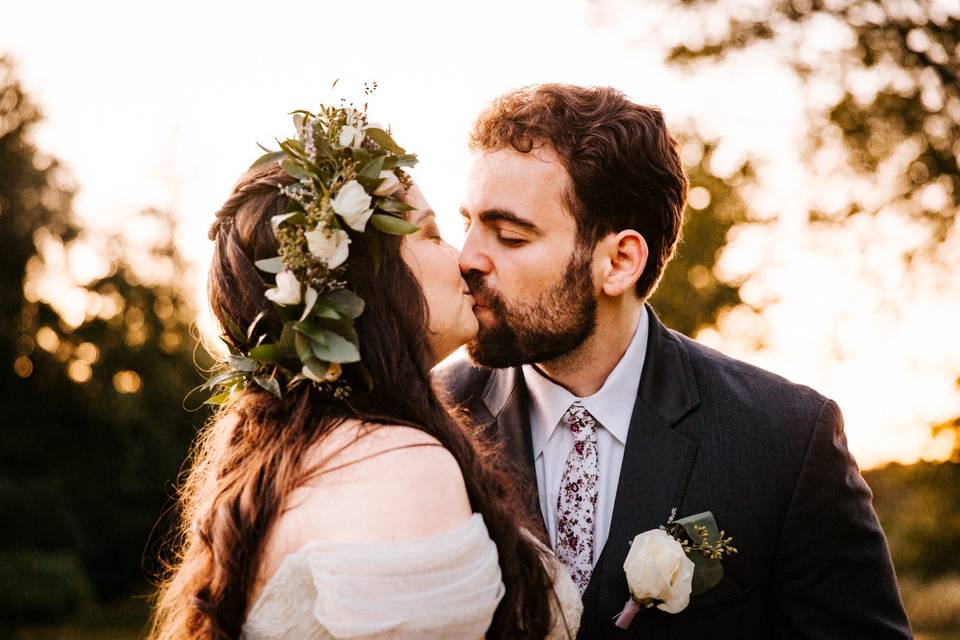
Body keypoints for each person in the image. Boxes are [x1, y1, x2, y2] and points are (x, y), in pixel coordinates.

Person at [437, 83, 912, 639]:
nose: (467, 258)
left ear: (618, 261)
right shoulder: (427, 421)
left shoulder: (785, 439)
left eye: (510, 236)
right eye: (466, 223)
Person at [148, 105, 581, 640]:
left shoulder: (298, 452)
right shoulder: (399, 468)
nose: (463, 258)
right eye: (430, 234)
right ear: (366, 284)